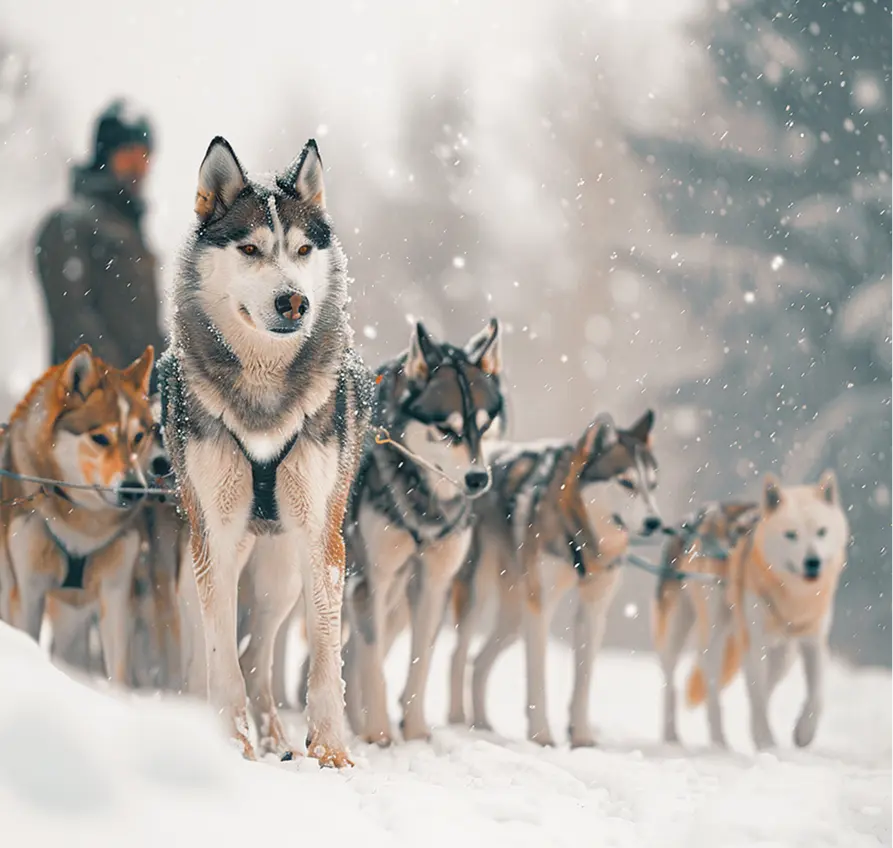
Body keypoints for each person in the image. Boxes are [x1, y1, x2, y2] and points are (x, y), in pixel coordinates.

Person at [33, 99, 164, 391]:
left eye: (145, 155)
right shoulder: (70, 225)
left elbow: (146, 334)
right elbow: (72, 319)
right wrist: (118, 384)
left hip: (133, 406)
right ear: (105, 154)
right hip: (90, 404)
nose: (139, 166)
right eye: (129, 153)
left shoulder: (133, 234)